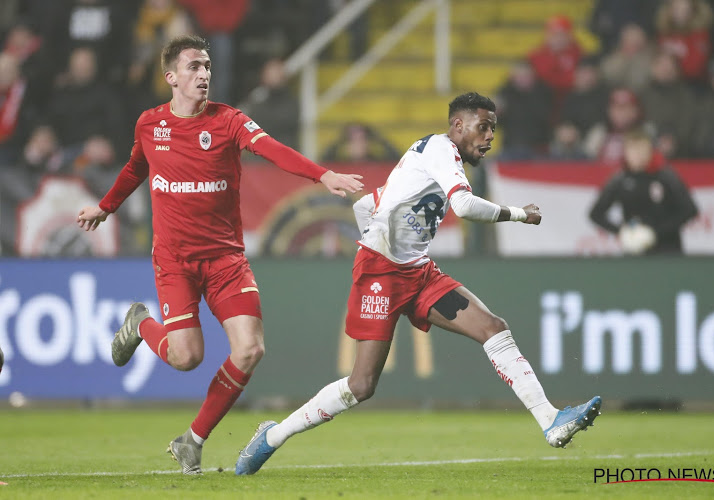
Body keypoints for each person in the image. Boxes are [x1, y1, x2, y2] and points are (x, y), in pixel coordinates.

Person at [235, 92, 602, 476]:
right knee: (361, 385)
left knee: (493, 328)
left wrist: (385, 236)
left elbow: (365, 206)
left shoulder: (428, 159)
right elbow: (463, 206)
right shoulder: (442, 152)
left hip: (418, 272)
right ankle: (272, 438)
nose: (490, 136)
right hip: (381, 273)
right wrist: (518, 214)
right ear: (458, 125)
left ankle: (550, 420)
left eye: (493, 128)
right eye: (483, 127)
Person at [76, 35, 363, 475]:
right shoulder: (151, 125)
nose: (204, 74)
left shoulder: (229, 121)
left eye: (207, 66)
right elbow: (136, 167)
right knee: (185, 357)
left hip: (226, 260)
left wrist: (321, 174)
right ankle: (140, 324)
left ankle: (192, 440)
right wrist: (105, 206)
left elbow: (272, 150)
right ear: (171, 77)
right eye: (194, 67)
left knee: (249, 350)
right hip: (174, 260)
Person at [589, 129, 698, 255]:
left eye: (642, 150)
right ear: (626, 153)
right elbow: (595, 214)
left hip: (667, 249)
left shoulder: (666, 176)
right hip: (635, 250)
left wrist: (656, 233)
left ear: (650, 152)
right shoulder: (620, 179)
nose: (637, 155)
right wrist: (622, 232)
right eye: (633, 150)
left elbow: (690, 210)